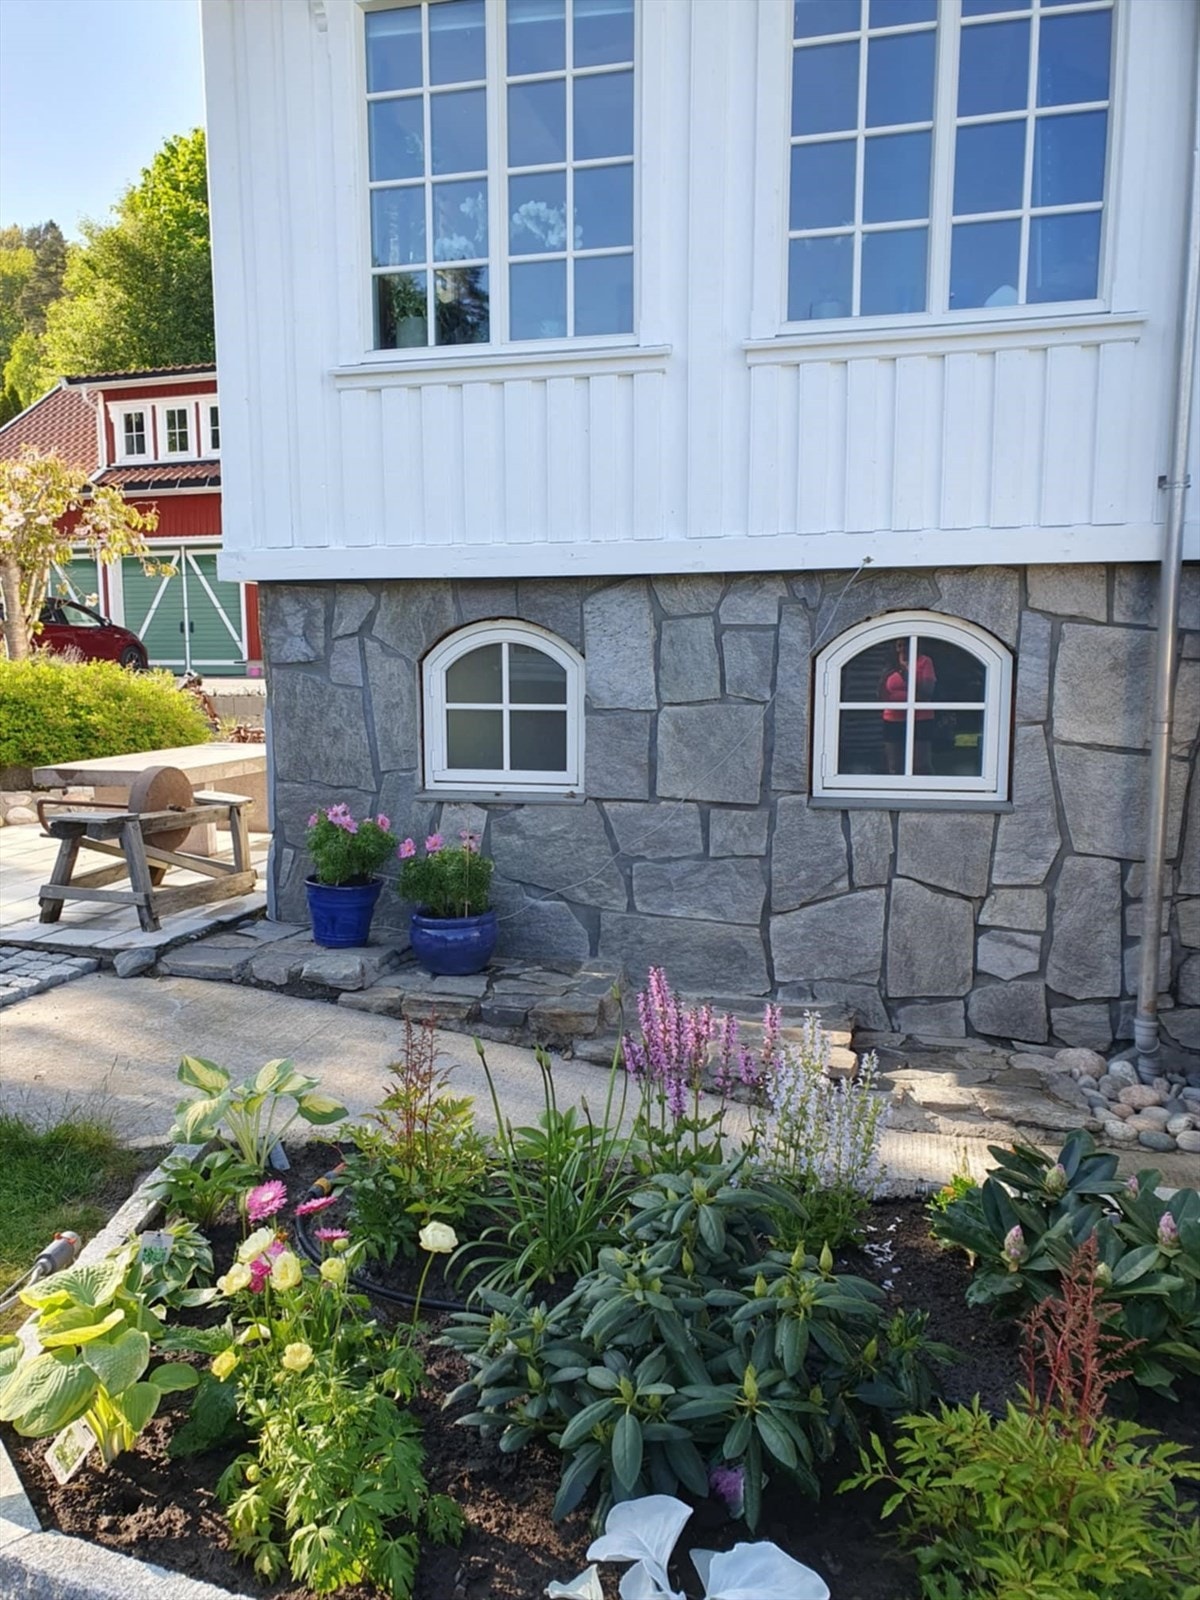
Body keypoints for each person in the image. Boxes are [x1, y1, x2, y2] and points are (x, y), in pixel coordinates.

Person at [879, 638, 936, 775]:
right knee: (894, 764)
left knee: (920, 763)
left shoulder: (924, 662)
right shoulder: (892, 664)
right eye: (899, 645)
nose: (903, 649)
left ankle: (928, 791)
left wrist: (907, 676)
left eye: (906, 645)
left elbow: (927, 692)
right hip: (893, 718)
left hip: (920, 718)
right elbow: (881, 691)